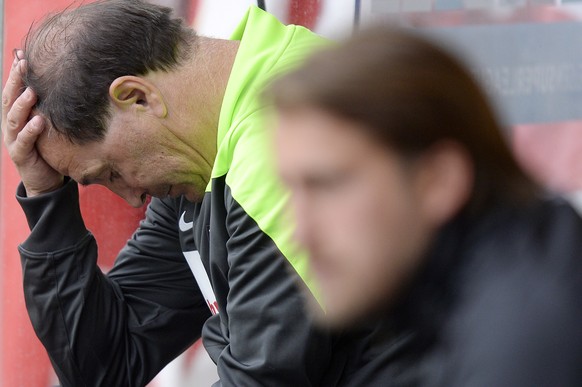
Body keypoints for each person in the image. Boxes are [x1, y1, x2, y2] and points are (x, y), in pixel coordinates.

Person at [1, 1, 361, 385]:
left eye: (111, 172)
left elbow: (264, 376)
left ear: (136, 97)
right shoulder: (204, 154)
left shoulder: (277, 146)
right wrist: (46, 198)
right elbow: (108, 363)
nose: (133, 198)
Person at [269, 26, 582, 386]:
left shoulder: (523, 343)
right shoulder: (461, 302)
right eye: (290, 190)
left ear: (438, 181)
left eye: (326, 185)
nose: (300, 233)